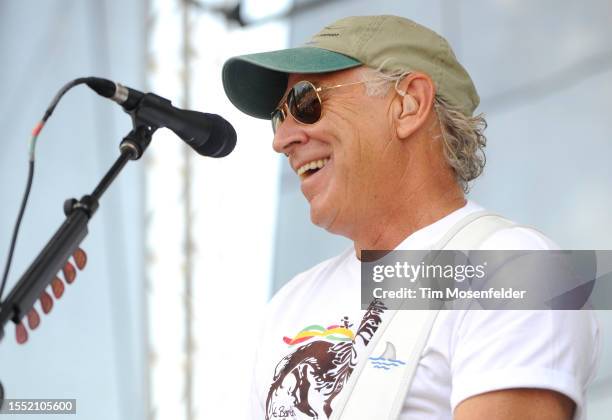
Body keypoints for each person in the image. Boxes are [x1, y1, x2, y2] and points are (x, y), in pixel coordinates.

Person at [222, 15, 599, 420]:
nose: (282, 139)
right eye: (281, 116)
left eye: (306, 101)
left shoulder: (518, 270)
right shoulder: (291, 303)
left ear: (409, 104)